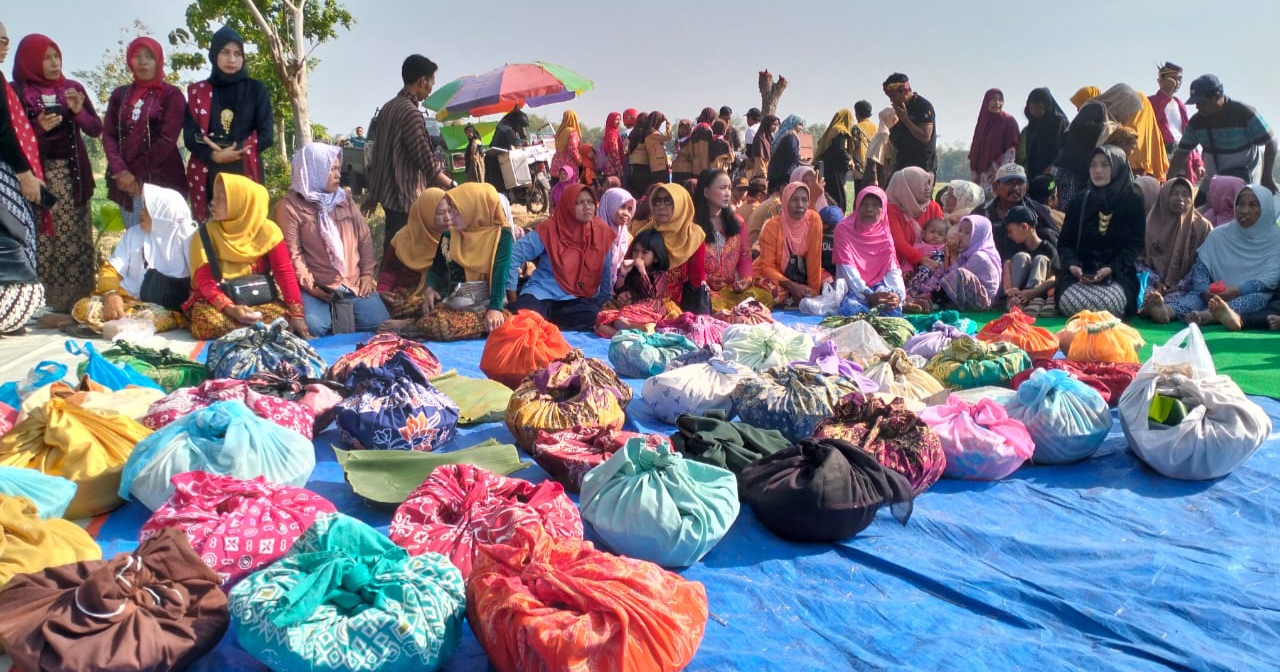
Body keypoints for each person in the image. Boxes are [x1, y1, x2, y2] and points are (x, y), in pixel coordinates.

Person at [13, 34, 101, 314]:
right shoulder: (18, 91)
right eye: (45, 57)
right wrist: (37, 126)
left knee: (75, 241)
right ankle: (40, 305)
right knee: (41, 242)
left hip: (72, 178)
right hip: (33, 180)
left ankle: (77, 305)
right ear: (30, 61)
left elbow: (95, 128)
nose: (53, 63)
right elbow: (13, 135)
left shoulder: (73, 88)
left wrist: (78, 111)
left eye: (56, 56)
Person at [276, 143, 387, 337]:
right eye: (332, 169)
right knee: (316, 327)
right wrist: (310, 287)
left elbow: (364, 238)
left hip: (353, 281)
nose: (338, 175)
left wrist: (367, 274)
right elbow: (294, 253)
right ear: (314, 170)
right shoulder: (290, 206)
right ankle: (334, 314)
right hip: (319, 286)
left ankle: (344, 312)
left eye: (338, 168)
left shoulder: (344, 199)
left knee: (379, 322)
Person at [184, 174, 307, 340]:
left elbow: (284, 273)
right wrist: (231, 309)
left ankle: (247, 330)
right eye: (215, 196)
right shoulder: (206, 233)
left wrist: (297, 315)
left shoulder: (268, 231)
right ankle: (258, 330)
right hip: (219, 299)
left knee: (283, 318)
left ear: (241, 203)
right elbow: (205, 281)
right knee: (205, 323)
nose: (213, 202)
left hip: (258, 297)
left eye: (221, 198)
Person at [1144, 184, 1280, 330]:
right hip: (1212, 293)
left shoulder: (1275, 240)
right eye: (1240, 204)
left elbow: (1270, 279)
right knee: (1194, 298)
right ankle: (1167, 312)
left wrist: (1236, 290)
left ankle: (1209, 316)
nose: (1245, 210)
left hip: (1248, 294)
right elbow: (1201, 266)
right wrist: (1204, 289)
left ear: (1266, 208)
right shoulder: (1219, 235)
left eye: (1253, 205)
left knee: (1257, 299)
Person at [70, 184, 193, 334]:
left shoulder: (188, 237)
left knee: (153, 317)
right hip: (128, 300)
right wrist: (112, 295)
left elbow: (199, 277)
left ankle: (98, 326)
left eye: (147, 210)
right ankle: (113, 325)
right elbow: (111, 270)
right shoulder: (134, 234)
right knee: (83, 308)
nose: (141, 213)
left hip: (164, 309)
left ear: (162, 214)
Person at [182, 26, 272, 222]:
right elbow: (190, 135)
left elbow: (266, 135)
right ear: (214, 55)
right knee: (211, 235)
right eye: (225, 52)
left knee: (245, 229)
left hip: (244, 171)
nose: (232, 60)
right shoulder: (198, 92)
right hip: (208, 174)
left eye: (237, 54)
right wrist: (214, 155)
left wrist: (236, 150)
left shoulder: (256, 90)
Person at [365, 54, 451, 255]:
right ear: (422, 81)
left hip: (388, 198)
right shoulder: (411, 114)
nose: (430, 90)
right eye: (431, 84)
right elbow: (427, 161)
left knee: (392, 250)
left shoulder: (387, 108)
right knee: (407, 256)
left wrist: (374, 194)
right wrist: (452, 186)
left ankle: (387, 285)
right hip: (406, 199)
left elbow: (378, 156)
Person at [102, 37, 186, 230]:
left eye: (149, 56)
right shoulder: (119, 95)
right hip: (126, 185)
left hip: (163, 183)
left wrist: (133, 174)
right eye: (136, 56)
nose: (143, 61)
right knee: (136, 242)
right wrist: (119, 170)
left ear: (158, 60)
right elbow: (109, 135)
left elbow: (166, 140)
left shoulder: (172, 95)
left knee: (165, 243)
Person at [508, 183, 615, 330]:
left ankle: (548, 325)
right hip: (542, 292)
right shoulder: (550, 228)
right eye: (580, 203)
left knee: (595, 318)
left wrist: (603, 299)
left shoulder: (601, 232)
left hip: (576, 298)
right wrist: (511, 295)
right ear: (568, 205)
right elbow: (514, 254)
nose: (587, 207)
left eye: (590, 202)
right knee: (524, 321)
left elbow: (605, 270)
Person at [1055, 146, 1145, 317]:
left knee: (1109, 303)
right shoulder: (1080, 201)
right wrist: (1073, 265)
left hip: (1118, 276)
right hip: (1080, 277)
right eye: (1093, 165)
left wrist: (1111, 268)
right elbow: (1065, 243)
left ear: (1117, 167)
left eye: (1105, 165)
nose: (1097, 171)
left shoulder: (1132, 201)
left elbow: (1136, 244)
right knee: (1070, 301)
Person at [1169, 75, 1278, 192]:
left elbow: (1271, 142)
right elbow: (1181, 154)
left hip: (1245, 183)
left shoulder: (1244, 114)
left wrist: (1267, 177)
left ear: (1216, 97)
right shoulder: (1196, 122)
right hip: (1214, 181)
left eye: (1201, 102)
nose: (1197, 107)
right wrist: (1168, 184)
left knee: (1239, 207)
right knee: (1197, 208)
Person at [1134, 177, 1212, 322]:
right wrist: (1156, 282)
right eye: (1174, 193)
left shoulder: (1203, 227)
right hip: (1152, 283)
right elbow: (1138, 261)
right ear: (1164, 196)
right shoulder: (1148, 224)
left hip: (1185, 287)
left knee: (1198, 299)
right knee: (1141, 289)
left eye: (1185, 194)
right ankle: (1152, 306)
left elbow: (1202, 265)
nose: (1180, 198)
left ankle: (1166, 311)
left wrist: (1178, 285)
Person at [694, 169, 769, 309]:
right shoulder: (693, 226)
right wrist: (708, 280)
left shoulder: (738, 222)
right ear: (706, 192)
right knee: (704, 302)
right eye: (722, 188)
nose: (728, 193)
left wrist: (745, 280)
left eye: (729, 188)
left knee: (766, 295)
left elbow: (745, 257)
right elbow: (689, 266)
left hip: (731, 290)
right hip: (705, 290)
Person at [628, 183, 708, 307]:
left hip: (678, 308)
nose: (661, 207)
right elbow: (628, 269)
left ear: (681, 204)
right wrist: (625, 293)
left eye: (668, 201)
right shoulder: (645, 233)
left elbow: (696, 283)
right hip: (641, 303)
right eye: (657, 201)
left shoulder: (693, 236)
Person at [832, 186, 905, 315]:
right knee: (852, 310)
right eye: (864, 204)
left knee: (893, 311)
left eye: (876, 205)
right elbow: (848, 269)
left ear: (882, 210)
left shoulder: (884, 234)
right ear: (857, 205)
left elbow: (892, 269)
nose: (869, 209)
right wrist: (868, 294)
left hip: (879, 286)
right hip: (853, 288)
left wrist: (897, 295)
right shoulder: (843, 230)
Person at [376, 187, 446, 318]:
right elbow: (389, 271)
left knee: (438, 308)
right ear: (426, 214)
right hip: (404, 296)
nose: (447, 218)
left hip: (434, 295)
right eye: (440, 213)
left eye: (450, 211)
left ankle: (409, 324)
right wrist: (383, 291)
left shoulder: (450, 239)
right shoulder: (403, 238)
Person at [754, 182, 822, 306]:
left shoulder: (814, 220)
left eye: (804, 200)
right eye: (794, 200)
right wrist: (791, 286)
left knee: (823, 286)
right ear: (785, 201)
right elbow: (766, 266)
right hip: (774, 278)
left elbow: (815, 260)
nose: (800, 205)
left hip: (798, 278)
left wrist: (814, 292)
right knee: (769, 295)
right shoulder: (773, 226)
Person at [595, 230, 673, 338]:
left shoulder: (660, 274)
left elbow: (652, 294)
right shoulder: (633, 271)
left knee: (619, 321)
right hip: (628, 309)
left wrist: (642, 271)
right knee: (600, 326)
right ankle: (635, 335)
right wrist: (623, 274)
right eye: (635, 251)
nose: (638, 256)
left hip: (647, 311)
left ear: (655, 257)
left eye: (644, 253)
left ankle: (639, 328)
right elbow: (619, 290)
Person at [976, 163, 1060, 259]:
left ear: (1026, 187)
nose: (1015, 188)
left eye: (1019, 183)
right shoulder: (982, 213)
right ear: (996, 187)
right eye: (1009, 183)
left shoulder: (1037, 211)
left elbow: (1057, 239)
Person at [1092, 83, 1169, 180]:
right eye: (1129, 111)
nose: (1128, 117)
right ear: (1121, 105)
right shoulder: (1103, 124)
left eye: (1132, 113)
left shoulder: (1105, 121)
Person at [927, 215, 1002, 312]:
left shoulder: (979, 257)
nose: (961, 235)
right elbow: (946, 273)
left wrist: (953, 256)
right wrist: (947, 256)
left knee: (961, 273)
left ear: (978, 235)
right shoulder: (965, 253)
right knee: (939, 268)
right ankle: (930, 296)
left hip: (982, 302)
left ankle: (934, 299)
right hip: (967, 295)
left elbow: (958, 279)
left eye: (967, 232)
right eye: (960, 230)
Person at [1148, 62, 1203, 184]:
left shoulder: (1180, 104)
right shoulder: (1151, 102)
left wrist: (1198, 162)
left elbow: (1188, 135)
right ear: (1160, 80)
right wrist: (1166, 95)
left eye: (1179, 79)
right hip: (1161, 158)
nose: (1176, 82)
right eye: (1172, 78)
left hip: (1182, 156)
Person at [1053, 102, 1114, 209]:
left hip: (1058, 173)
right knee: (1070, 208)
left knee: (1055, 200)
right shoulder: (1098, 130)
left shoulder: (1071, 129)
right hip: (1075, 177)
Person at [1001, 206, 1059, 316]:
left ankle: (1030, 301)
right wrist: (1009, 290)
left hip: (1037, 294)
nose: (1009, 235)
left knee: (1040, 259)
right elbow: (1007, 265)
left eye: (1010, 231)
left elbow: (1054, 277)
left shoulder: (1047, 248)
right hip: (1016, 294)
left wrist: (1032, 293)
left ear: (1024, 227)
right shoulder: (1014, 246)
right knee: (1021, 256)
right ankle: (1015, 300)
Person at [884, 167, 944, 270]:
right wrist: (923, 260)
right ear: (907, 187)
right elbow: (898, 244)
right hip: (897, 265)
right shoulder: (891, 210)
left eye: (929, 184)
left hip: (933, 262)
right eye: (924, 184)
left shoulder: (933, 207)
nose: (928, 188)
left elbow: (943, 236)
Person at [882, 73, 937, 173]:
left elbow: (925, 137)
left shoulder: (923, 106)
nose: (891, 100)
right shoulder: (898, 109)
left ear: (905, 91)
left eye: (893, 96)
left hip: (921, 168)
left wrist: (906, 120)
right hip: (902, 165)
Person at [969, 89, 1019, 195]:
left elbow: (1011, 151)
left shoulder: (1008, 121)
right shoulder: (982, 122)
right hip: (981, 175)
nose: (997, 103)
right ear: (986, 102)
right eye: (993, 99)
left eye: (1000, 100)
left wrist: (1001, 176)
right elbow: (976, 149)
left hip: (999, 175)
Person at [815, 108, 861, 212]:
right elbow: (839, 148)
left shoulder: (831, 130)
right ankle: (837, 220)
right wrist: (849, 160)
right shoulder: (840, 131)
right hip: (835, 171)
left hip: (827, 169)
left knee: (828, 196)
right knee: (839, 199)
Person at [1018, 88, 1069, 179]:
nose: (1034, 112)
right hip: (1033, 174)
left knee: (1050, 190)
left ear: (1047, 106)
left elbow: (1064, 150)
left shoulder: (1059, 122)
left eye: (1038, 108)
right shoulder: (1033, 124)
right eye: (1031, 108)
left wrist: (1052, 167)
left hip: (1053, 175)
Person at [903, 218, 948, 312]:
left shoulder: (944, 247)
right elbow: (910, 258)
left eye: (940, 234)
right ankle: (916, 299)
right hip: (923, 274)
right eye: (932, 232)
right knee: (918, 280)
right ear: (924, 234)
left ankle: (931, 300)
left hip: (938, 276)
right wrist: (907, 268)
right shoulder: (919, 246)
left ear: (944, 238)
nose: (935, 236)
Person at [598, 186, 637, 290]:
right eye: (622, 206)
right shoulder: (592, 232)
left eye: (629, 209)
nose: (626, 213)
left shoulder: (626, 237)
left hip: (614, 290)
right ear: (610, 205)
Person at [485, 109, 528, 195]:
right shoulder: (506, 128)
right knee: (498, 186)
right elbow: (515, 142)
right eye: (520, 126)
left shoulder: (504, 124)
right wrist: (524, 142)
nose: (520, 128)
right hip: (494, 160)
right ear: (516, 123)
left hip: (498, 158)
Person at [767, 115, 804, 193]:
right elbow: (792, 153)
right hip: (785, 174)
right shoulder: (791, 137)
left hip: (776, 173)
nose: (801, 128)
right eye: (799, 124)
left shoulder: (783, 135)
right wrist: (801, 157)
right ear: (793, 123)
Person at [864, 107, 897, 189]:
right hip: (879, 176)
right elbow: (873, 158)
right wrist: (874, 179)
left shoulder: (880, 134)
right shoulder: (884, 135)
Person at [550, 109, 581, 180]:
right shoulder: (572, 132)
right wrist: (579, 160)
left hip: (556, 167)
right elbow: (572, 148)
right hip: (568, 170)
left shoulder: (560, 132)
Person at [745, 114, 777, 182]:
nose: (775, 127)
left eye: (776, 125)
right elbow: (759, 161)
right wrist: (765, 178)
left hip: (769, 173)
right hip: (760, 176)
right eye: (773, 124)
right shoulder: (760, 139)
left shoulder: (770, 138)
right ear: (767, 124)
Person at [626, 112, 652, 195]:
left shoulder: (632, 133)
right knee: (642, 192)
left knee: (633, 191)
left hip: (632, 165)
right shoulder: (647, 133)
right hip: (644, 166)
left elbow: (627, 149)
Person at [645, 112, 672, 189]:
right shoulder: (652, 134)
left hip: (659, 167)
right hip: (658, 168)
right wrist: (668, 122)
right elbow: (668, 137)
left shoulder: (652, 133)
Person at [600, 111, 625, 180]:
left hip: (608, 168)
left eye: (620, 120)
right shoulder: (612, 134)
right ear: (611, 121)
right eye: (616, 120)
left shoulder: (609, 133)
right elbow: (615, 151)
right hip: (613, 169)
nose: (619, 122)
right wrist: (619, 168)